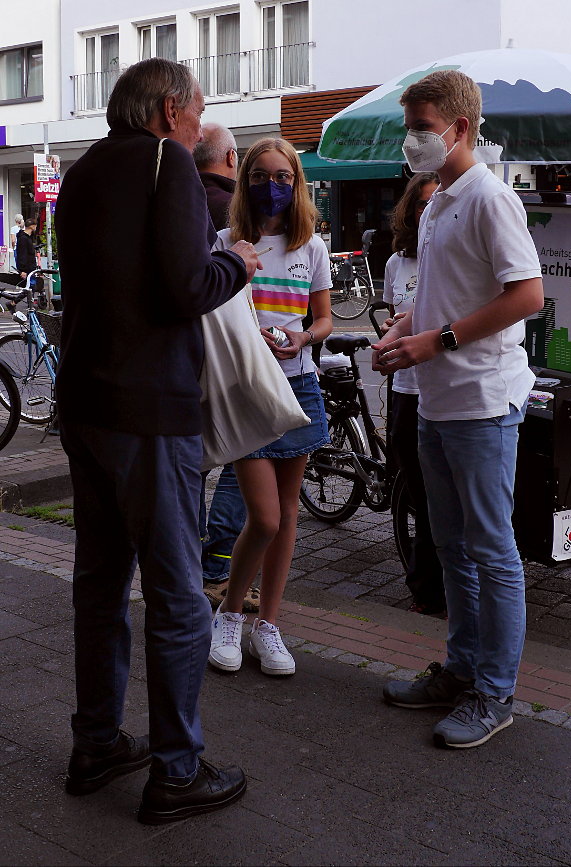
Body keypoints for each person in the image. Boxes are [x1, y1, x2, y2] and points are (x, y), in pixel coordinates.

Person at [54, 58, 261, 824]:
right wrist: (233, 261)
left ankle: (97, 740)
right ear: (170, 110)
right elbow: (186, 288)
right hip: (150, 410)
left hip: (85, 402)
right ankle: (177, 769)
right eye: (199, 111)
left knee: (100, 581)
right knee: (176, 592)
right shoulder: (166, 162)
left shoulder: (81, 171)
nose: (202, 125)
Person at [372, 70, 544, 750]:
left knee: (491, 549)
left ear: (460, 129)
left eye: (421, 127)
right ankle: (462, 669)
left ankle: (494, 692)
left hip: (480, 400)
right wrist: (407, 326)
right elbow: (449, 293)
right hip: (437, 400)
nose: (412, 139)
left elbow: (527, 295)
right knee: (449, 546)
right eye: (410, 126)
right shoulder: (438, 198)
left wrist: (433, 340)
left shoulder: (489, 198)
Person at [208, 137, 332, 677]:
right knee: (263, 515)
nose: (272, 186)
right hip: (246, 391)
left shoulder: (312, 247)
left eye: (283, 176)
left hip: (299, 385)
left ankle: (269, 625)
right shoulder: (225, 243)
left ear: (297, 182)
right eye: (259, 176)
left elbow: (323, 317)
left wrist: (304, 339)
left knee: (287, 517)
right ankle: (231, 613)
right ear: (245, 181)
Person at [193, 123, 255, 607]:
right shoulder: (233, 211)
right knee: (247, 448)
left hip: (189, 358)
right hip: (237, 353)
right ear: (232, 159)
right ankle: (217, 562)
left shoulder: (182, 198)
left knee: (192, 461)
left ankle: (192, 560)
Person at [382, 171, 445, 617]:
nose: (429, 211)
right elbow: (392, 316)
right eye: (422, 204)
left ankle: (436, 585)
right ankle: (426, 586)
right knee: (419, 492)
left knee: (442, 496)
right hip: (406, 388)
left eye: (435, 203)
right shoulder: (397, 263)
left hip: (442, 388)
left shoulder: (450, 254)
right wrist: (393, 329)